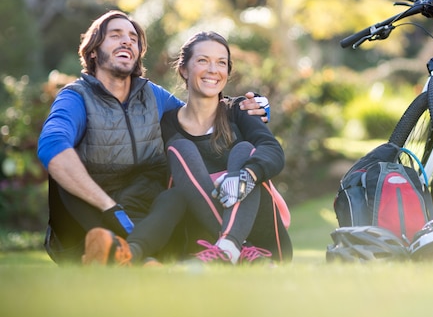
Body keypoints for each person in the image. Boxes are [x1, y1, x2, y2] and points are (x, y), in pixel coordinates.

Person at [37, 10, 268, 264]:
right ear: (93, 51)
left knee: (176, 195)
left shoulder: (152, 96)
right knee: (63, 175)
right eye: (115, 35)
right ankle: (101, 248)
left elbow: (199, 115)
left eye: (133, 38)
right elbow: (52, 146)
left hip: (140, 215)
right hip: (88, 216)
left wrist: (247, 107)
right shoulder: (76, 97)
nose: (127, 41)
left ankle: (130, 256)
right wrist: (109, 207)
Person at [81, 31, 292, 266]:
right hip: (204, 247)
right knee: (178, 163)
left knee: (244, 151)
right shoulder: (167, 125)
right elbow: (149, 180)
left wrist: (246, 176)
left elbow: (272, 151)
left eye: (221, 63)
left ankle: (232, 245)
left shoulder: (240, 111)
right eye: (203, 61)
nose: (213, 69)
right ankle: (128, 253)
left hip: (262, 245)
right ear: (183, 69)